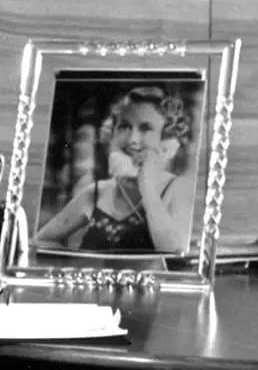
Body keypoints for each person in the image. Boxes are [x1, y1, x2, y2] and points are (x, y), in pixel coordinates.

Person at [34, 84, 197, 254]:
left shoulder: (178, 188)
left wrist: (147, 186)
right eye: (124, 126)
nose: (132, 139)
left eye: (145, 128)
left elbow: (176, 252)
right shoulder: (96, 192)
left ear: (167, 141)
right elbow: (41, 241)